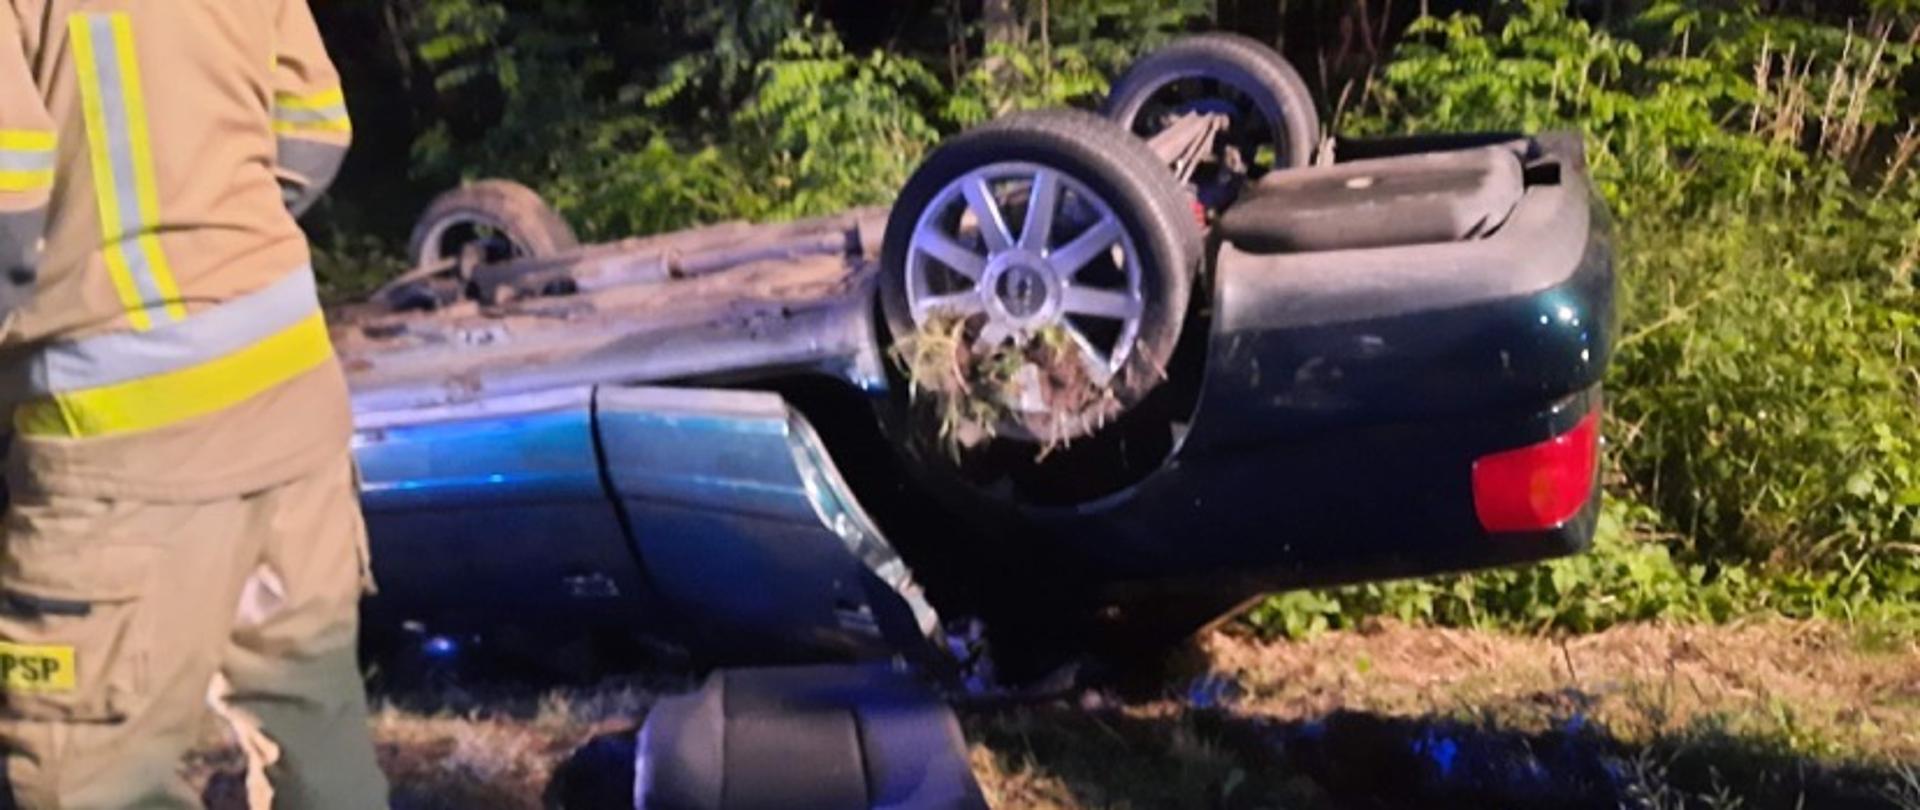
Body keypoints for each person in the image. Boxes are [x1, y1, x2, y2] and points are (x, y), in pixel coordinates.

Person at [0, 0, 387, 807]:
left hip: (120, 445)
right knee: (317, 741)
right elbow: (315, 128)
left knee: (89, 782)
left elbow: (8, 198)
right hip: (292, 403)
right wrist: (211, 253)